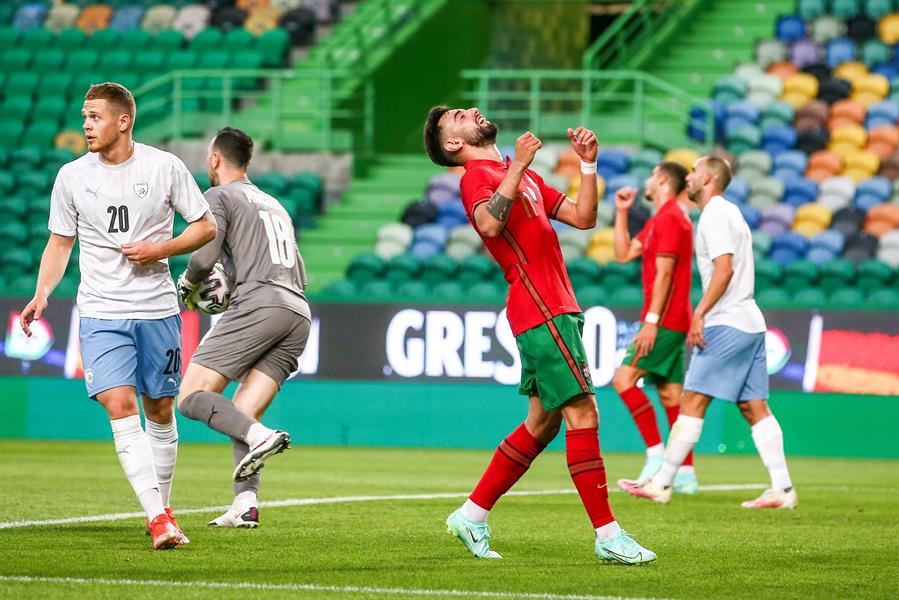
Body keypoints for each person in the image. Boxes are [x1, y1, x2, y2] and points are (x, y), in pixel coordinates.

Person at [423, 106, 655, 564]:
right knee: (584, 413)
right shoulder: (476, 175)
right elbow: (488, 224)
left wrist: (587, 163)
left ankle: (472, 515)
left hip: (555, 306)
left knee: (543, 422)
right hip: (541, 307)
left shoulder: (512, 171)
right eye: (458, 116)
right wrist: (522, 167)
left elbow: (584, 217)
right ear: (454, 144)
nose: (471, 110)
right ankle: (608, 536)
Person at [20, 82, 217, 549]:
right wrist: (42, 293)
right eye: (84, 117)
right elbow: (60, 241)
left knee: (161, 410)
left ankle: (162, 509)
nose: (86, 125)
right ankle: (159, 520)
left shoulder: (164, 167)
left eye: (95, 117)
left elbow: (206, 225)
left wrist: (161, 249)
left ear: (123, 121)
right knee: (119, 404)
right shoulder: (71, 175)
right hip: (101, 311)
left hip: (157, 310)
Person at [620, 156, 798, 509]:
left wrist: (700, 312)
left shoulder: (715, 214)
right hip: (750, 321)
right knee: (753, 407)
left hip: (726, 320)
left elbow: (724, 269)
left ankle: (665, 482)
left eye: (695, 172)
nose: (689, 177)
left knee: (691, 401)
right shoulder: (728, 213)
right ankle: (783, 489)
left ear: (709, 178)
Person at [175, 127, 310, 528]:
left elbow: (202, 259)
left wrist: (189, 285)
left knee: (192, 395)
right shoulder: (275, 204)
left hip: (261, 304)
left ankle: (262, 438)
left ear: (215, 158)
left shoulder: (218, 196)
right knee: (242, 414)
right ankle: (245, 504)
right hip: (298, 311)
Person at [610, 162, 699, 493]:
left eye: (651, 175)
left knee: (623, 379)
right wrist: (622, 212)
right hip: (673, 319)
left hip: (665, 320)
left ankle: (655, 455)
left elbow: (664, 273)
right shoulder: (661, 219)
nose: (646, 180)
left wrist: (650, 322)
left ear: (662, 180)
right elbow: (623, 254)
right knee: (670, 394)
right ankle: (686, 474)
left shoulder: (673, 218)